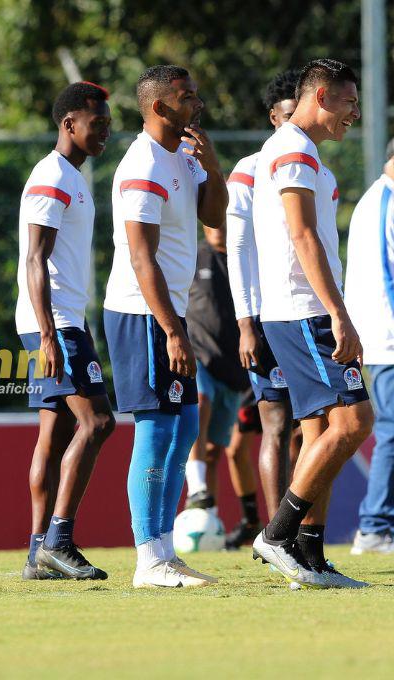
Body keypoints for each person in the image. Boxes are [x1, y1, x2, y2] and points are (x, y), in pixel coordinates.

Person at [249, 59, 373, 589]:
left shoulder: (303, 152)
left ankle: (310, 553)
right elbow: (302, 237)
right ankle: (277, 535)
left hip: (302, 309)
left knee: (322, 429)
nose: (355, 114)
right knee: (354, 421)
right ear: (321, 96)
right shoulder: (294, 149)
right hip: (304, 310)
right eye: (349, 102)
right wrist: (339, 314)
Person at [103, 65, 227, 588]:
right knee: (156, 430)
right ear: (159, 107)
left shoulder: (183, 157)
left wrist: (212, 166)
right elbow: (141, 258)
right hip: (142, 314)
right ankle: (147, 558)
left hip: (170, 314)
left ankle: (165, 551)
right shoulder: (143, 164)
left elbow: (215, 216)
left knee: (184, 430)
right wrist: (173, 331)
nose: (197, 104)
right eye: (186, 97)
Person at [15, 82, 116, 581]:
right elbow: (35, 258)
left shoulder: (70, 176)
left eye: (108, 125)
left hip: (60, 321)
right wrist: (49, 335)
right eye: (96, 124)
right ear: (68, 124)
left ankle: (38, 551)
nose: (105, 133)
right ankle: (58, 541)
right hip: (55, 324)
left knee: (54, 434)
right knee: (98, 423)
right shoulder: (52, 175)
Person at [222, 70, 301, 548]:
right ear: (274, 117)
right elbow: (238, 250)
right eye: (289, 115)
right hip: (268, 322)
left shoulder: (313, 166)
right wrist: (246, 323)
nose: (296, 124)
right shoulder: (249, 170)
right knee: (276, 424)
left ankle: (301, 535)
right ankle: (278, 537)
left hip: (306, 317)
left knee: (310, 429)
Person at [346, 137, 394, 555]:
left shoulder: (374, 199)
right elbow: (387, 276)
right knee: (392, 430)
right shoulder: (386, 202)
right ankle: (375, 526)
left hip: (378, 335)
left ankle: (378, 524)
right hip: (388, 339)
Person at [183, 226, 249, 513]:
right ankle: (196, 486)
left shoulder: (246, 257)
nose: (219, 226)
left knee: (213, 452)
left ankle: (207, 517)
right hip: (198, 355)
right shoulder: (193, 255)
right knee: (200, 401)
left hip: (234, 367)